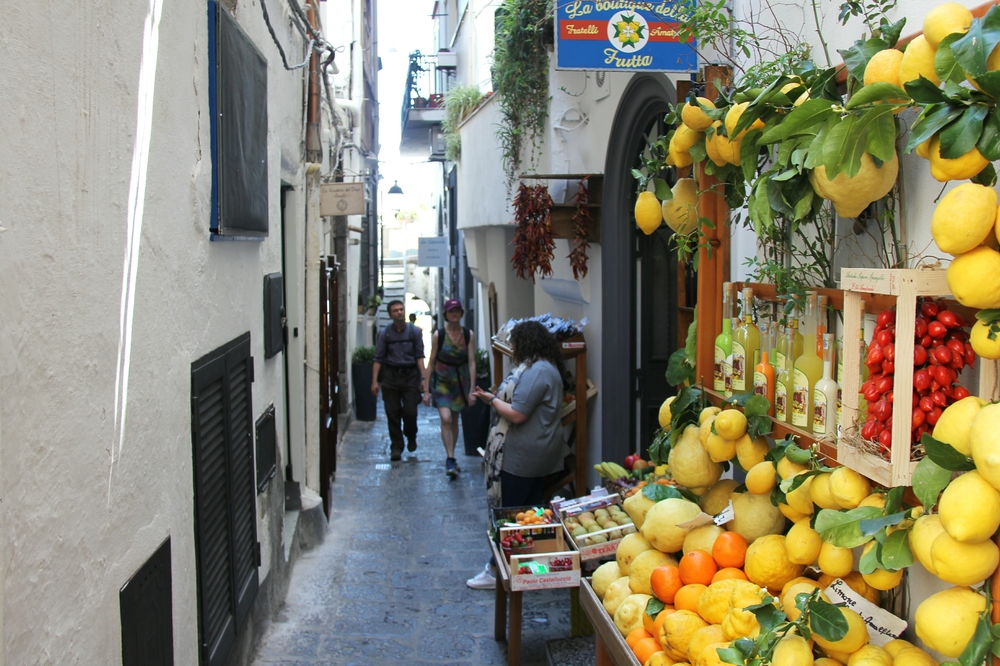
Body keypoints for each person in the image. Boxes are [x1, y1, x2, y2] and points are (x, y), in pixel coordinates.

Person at [465, 320, 569, 590]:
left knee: (509, 515)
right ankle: (533, 569)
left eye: (514, 343)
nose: (511, 348)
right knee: (531, 512)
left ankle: (495, 569)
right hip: (536, 453)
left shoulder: (538, 372)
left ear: (526, 344)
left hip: (523, 456)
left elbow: (517, 414)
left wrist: (492, 400)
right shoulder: (545, 367)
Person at [425, 298, 477, 479]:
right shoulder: (439, 335)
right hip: (442, 380)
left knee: (454, 420)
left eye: (457, 310)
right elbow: (431, 362)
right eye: (451, 311)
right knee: (446, 419)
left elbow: (471, 362)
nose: (454, 314)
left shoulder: (468, 334)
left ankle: (452, 456)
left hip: (460, 381)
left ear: (461, 313)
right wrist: (425, 389)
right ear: (446, 315)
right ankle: (450, 458)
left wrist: (472, 389)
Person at [372, 300, 428, 461]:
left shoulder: (414, 332)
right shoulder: (385, 334)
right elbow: (378, 358)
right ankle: (396, 446)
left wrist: (423, 379)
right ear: (390, 314)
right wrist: (374, 381)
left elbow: (419, 357)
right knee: (392, 413)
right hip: (391, 377)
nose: (399, 312)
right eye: (395, 310)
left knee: (410, 412)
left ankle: (411, 435)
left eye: (401, 309)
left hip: (410, 376)